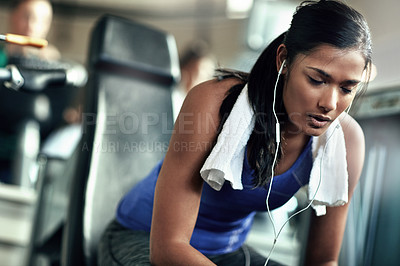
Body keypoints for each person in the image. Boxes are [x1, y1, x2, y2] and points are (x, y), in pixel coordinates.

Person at [98, 0, 372, 265]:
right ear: (283, 61)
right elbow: (167, 249)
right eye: (316, 79)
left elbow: (324, 259)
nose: (330, 103)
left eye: (347, 88)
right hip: (143, 238)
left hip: (228, 251)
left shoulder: (346, 141)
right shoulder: (212, 104)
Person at [0, 0, 60, 66]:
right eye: (26, 17)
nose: (30, 25)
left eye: (40, 20)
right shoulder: (2, 54)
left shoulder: (51, 62)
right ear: (13, 16)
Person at [172, 41, 216, 120]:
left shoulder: (204, 106)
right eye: (199, 73)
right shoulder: (172, 96)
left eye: (207, 75)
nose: (202, 79)